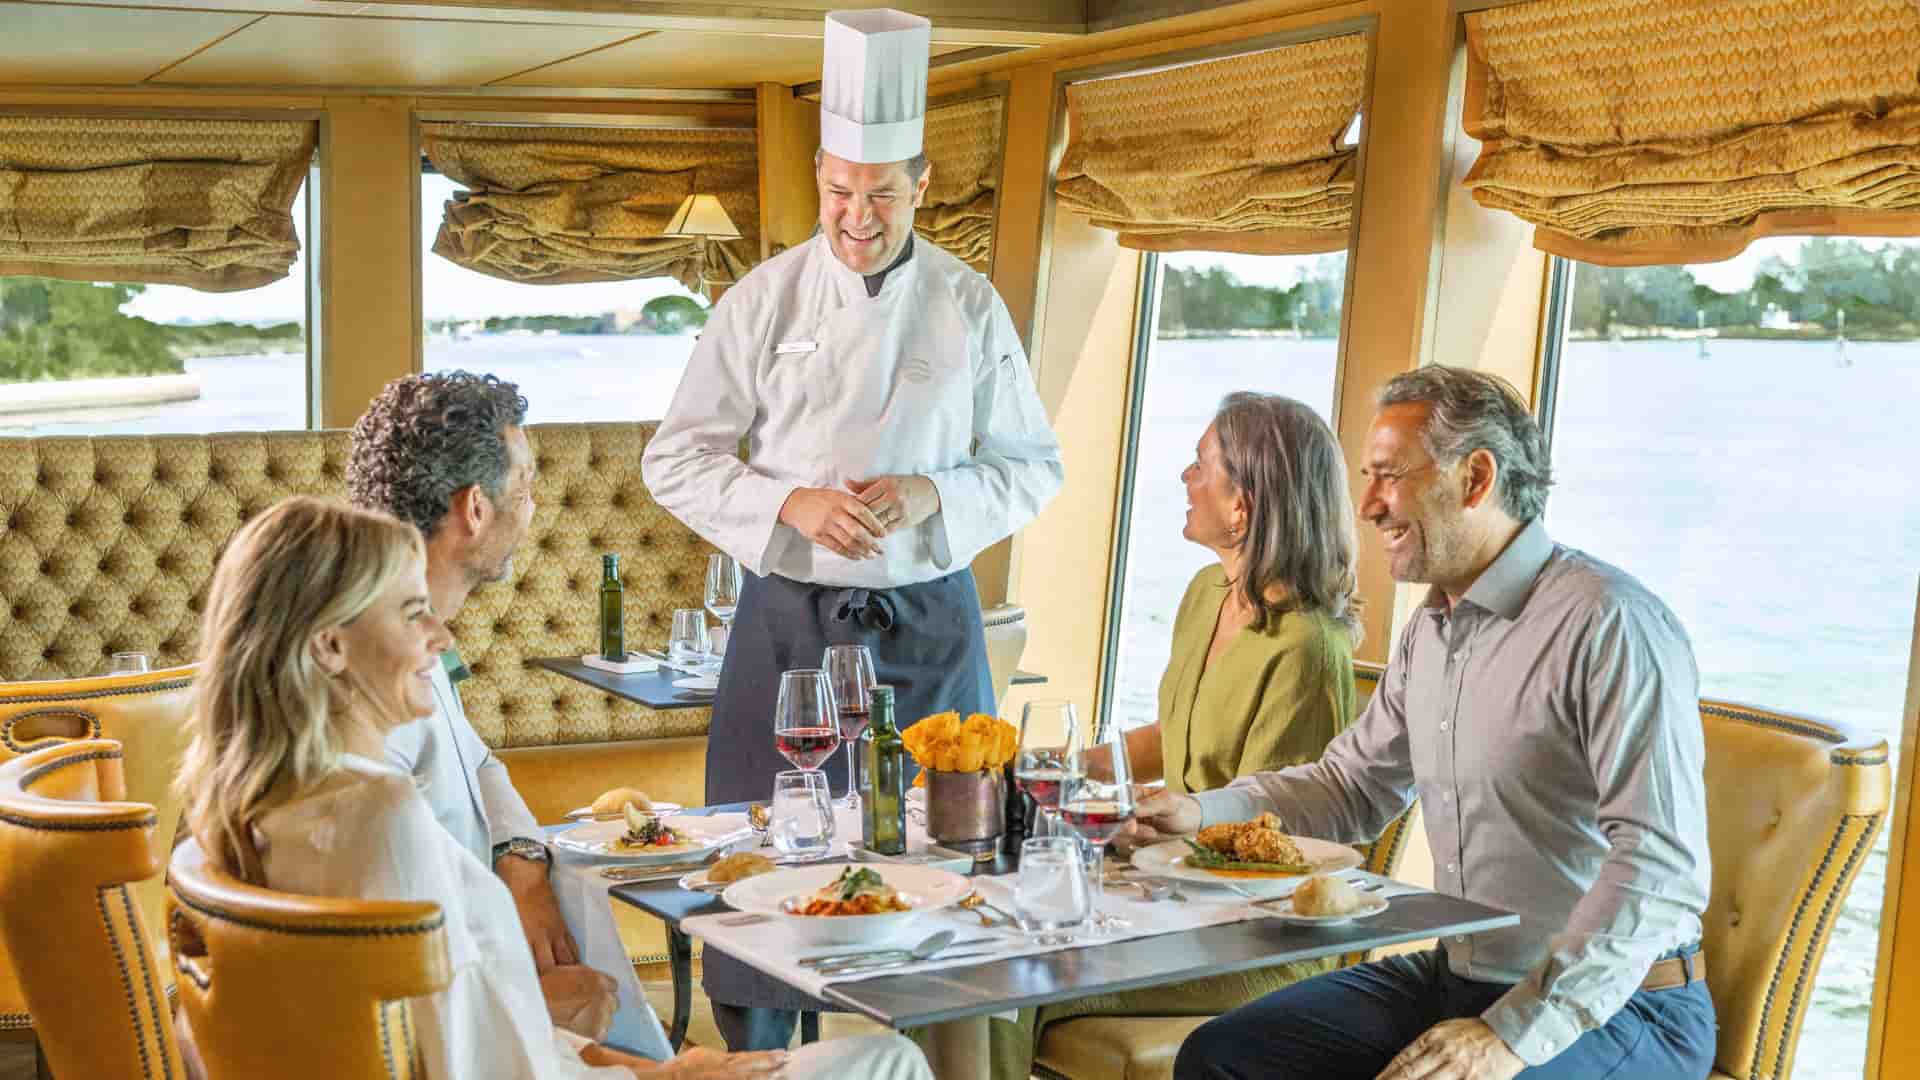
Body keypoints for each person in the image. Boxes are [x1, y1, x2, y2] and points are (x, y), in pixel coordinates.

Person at [174, 496, 933, 1079]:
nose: (440, 639)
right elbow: (470, 1065)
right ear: (329, 646)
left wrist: (649, 1067)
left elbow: (460, 1039)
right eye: (413, 615)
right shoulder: (380, 814)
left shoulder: (245, 810)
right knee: (886, 1062)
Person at [642, 8, 1062, 1051]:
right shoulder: (762, 299)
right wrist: (790, 502)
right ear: (821, 178)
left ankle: (926, 1061)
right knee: (763, 868)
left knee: (944, 863)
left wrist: (931, 494)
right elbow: (674, 457)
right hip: (788, 622)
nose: (857, 216)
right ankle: (760, 1066)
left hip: (930, 625)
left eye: (879, 194)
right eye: (838, 193)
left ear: (921, 183)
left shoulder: (970, 306)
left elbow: (1034, 466)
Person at [1131, 367, 1716, 1080]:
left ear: (1474, 477)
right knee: (1224, 1056)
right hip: (1461, 977)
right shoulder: (1432, 630)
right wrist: (1197, 812)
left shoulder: (1610, 625)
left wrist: (1509, 1036)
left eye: (1387, 476)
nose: (1369, 505)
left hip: (1628, 1007)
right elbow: (1350, 788)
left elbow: (1658, 871)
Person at [987, 392, 1363, 1078]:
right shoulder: (1205, 594)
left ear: (1244, 503)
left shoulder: (1308, 647)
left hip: (1258, 941)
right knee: (983, 952)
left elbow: (1274, 840)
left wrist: (1162, 835)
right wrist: (1062, 763)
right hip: (1174, 902)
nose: (1185, 479)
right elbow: (1181, 729)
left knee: (1009, 988)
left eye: (1200, 466)